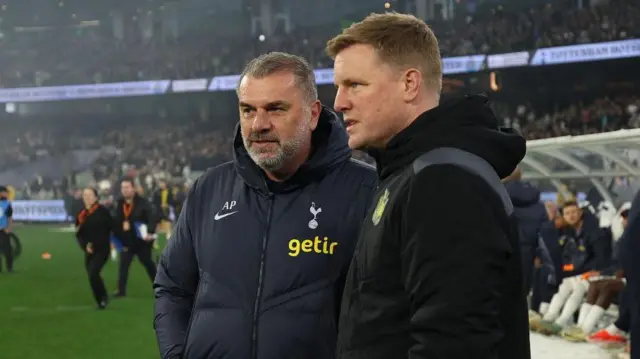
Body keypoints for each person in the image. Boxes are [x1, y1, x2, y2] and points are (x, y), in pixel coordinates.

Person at [327, 13, 530, 359]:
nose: (339, 102)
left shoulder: (443, 181)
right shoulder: (410, 173)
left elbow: (454, 345)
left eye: (354, 85)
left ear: (409, 84)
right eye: (338, 87)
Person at [153, 52, 377, 359]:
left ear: (313, 115)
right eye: (247, 110)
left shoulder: (367, 190)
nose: (259, 124)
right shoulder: (210, 189)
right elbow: (172, 288)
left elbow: (387, 310)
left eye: (276, 109)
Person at [503, 167, 548, 292]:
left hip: (504, 247)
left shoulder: (499, 196)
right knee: (522, 288)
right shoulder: (537, 202)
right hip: (528, 249)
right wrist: (539, 254)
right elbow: (544, 231)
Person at [113, 178, 157, 297]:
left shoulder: (143, 202)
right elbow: (115, 220)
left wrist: (150, 231)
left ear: (133, 188)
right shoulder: (119, 203)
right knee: (123, 265)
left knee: (148, 264)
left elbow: (152, 217)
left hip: (141, 241)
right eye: (123, 188)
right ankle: (121, 291)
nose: (125, 190)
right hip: (126, 240)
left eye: (127, 187)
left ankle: (161, 288)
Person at [75, 187, 113, 309]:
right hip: (88, 250)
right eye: (85, 195)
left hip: (102, 249)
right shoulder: (81, 214)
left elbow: (109, 229)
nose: (87, 198)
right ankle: (101, 298)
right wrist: (85, 245)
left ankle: (102, 299)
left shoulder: (103, 212)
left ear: (96, 197)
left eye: (90, 195)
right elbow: (79, 233)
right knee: (92, 275)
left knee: (93, 272)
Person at [0, 185, 14, 273]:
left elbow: (9, 217)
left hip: (3, 230)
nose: (5, 194)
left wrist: (9, 228)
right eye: (4, 192)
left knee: (8, 250)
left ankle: (9, 267)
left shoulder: (7, 204)